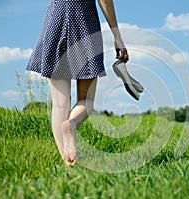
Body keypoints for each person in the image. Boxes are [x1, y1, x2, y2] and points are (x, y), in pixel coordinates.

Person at [27, 0, 129, 166]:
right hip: (84, 22)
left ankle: (68, 162)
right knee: (85, 100)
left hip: (55, 19)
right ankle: (72, 125)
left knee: (60, 104)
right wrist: (117, 36)